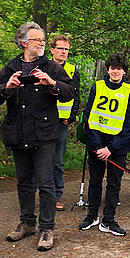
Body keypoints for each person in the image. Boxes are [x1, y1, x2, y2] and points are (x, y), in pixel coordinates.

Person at [0, 22, 74, 252]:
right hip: (18, 133)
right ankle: (27, 223)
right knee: (24, 184)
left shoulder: (51, 67)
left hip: (44, 135)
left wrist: (52, 82)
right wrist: (7, 86)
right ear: (24, 43)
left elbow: (70, 92)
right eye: (37, 40)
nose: (42, 43)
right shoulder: (12, 66)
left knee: (46, 185)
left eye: (43, 40)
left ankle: (47, 228)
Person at [78, 53, 130, 236]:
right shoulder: (98, 86)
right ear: (108, 69)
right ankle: (92, 216)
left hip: (117, 146)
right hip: (96, 143)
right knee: (95, 181)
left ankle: (108, 220)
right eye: (113, 68)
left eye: (119, 68)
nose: (116, 71)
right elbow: (89, 117)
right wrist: (97, 146)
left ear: (124, 71)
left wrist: (111, 148)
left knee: (114, 184)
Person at [49, 35, 81, 212]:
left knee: (58, 160)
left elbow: (76, 96)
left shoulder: (71, 69)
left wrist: (73, 115)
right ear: (52, 50)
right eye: (60, 48)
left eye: (66, 49)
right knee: (40, 158)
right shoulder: (43, 67)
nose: (63, 52)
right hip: (43, 121)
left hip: (62, 120)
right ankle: (39, 193)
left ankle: (57, 195)